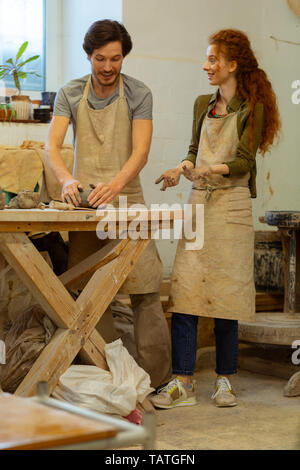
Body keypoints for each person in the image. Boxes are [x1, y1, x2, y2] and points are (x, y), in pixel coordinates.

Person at [153, 29, 281, 407]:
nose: (206, 66)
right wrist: (183, 168)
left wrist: (207, 172)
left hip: (233, 204)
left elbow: (244, 161)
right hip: (199, 203)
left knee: (227, 295)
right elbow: (194, 150)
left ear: (232, 65)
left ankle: (225, 379)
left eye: (213, 60)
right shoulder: (201, 106)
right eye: (207, 59)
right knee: (186, 292)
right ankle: (183, 382)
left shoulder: (250, 108)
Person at [45, 19, 171, 389]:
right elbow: (52, 146)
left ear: (123, 57)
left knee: (146, 292)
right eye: (100, 59)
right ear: (89, 56)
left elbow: (141, 151)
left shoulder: (138, 93)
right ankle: (105, 378)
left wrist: (116, 186)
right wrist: (67, 179)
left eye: (115, 59)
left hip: (128, 202)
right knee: (89, 296)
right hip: (88, 208)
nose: (108, 67)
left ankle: (158, 382)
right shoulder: (70, 93)